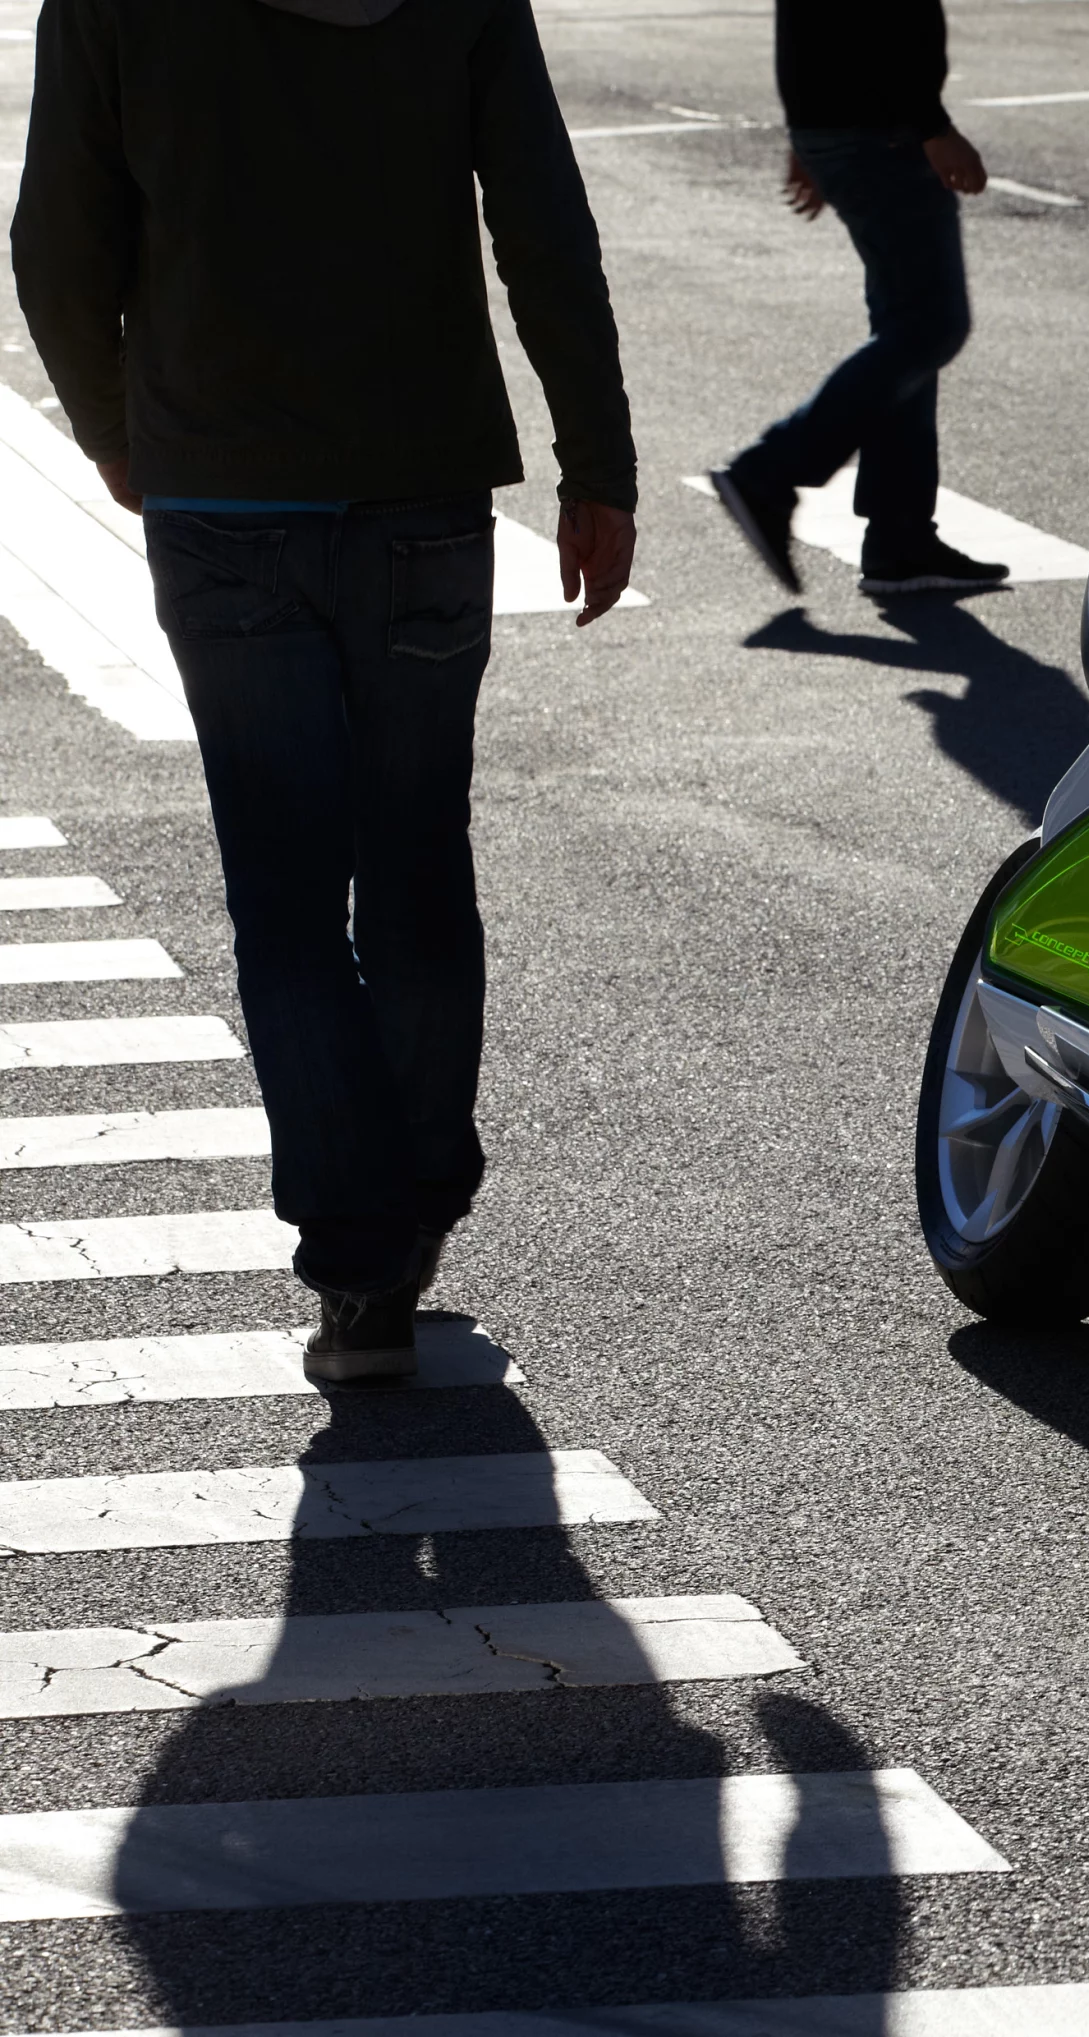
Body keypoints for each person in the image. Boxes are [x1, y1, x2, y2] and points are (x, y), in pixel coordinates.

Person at [12, 0, 639, 1384]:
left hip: (223, 492)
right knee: (418, 861)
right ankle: (412, 1199)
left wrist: (123, 435)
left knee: (286, 894)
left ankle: (359, 1271)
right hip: (422, 490)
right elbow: (543, 223)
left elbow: (56, 249)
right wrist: (597, 459)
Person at [711, 0, 1005, 598]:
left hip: (850, 123)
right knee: (931, 325)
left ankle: (900, 537)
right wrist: (932, 126)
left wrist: (810, 125)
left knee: (906, 331)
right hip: (883, 131)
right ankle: (768, 473)